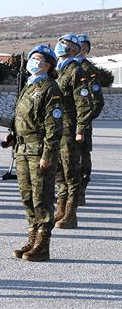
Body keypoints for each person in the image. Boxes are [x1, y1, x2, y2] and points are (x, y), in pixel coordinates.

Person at [10, 44, 63, 262]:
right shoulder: (30, 86)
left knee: (42, 197)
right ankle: (32, 237)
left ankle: (43, 244)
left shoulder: (50, 88)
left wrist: (48, 155)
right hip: (23, 148)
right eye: (32, 58)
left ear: (49, 65)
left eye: (38, 59)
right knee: (27, 196)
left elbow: (54, 126)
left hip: (39, 149)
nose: (33, 61)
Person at [53, 34, 93, 229]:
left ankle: (71, 213)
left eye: (67, 44)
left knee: (71, 171)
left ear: (76, 49)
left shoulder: (76, 71)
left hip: (69, 127)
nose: (62, 46)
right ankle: (60, 208)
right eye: (61, 42)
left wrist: (81, 129)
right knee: (59, 170)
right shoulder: (57, 70)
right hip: (56, 127)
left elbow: (84, 104)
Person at [75, 34, 105, 206]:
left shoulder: (88, 69)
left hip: (82, 123)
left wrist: (85, 119)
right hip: (64, 123)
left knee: (81, 158)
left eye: (82, 46)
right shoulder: (63, 67)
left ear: (85, 50)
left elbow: (98, 101)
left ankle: (80, 192)